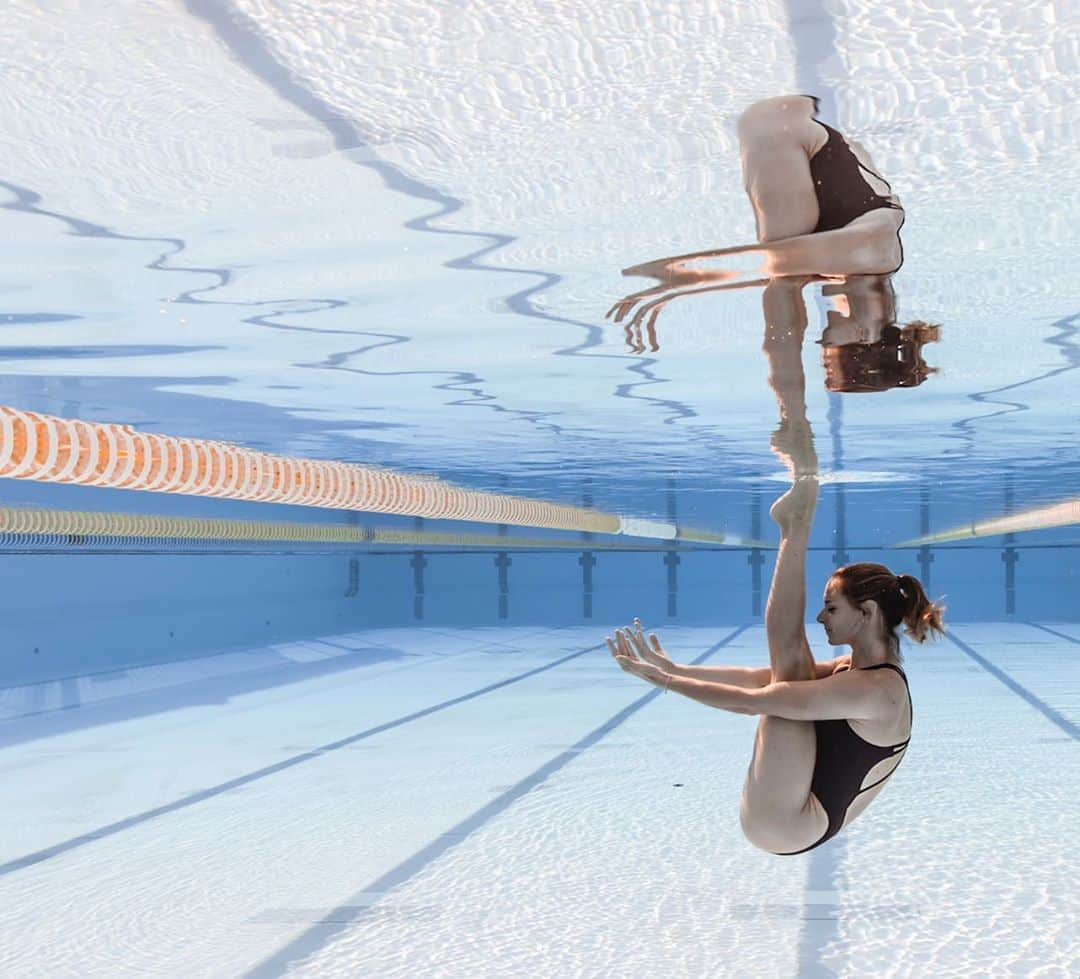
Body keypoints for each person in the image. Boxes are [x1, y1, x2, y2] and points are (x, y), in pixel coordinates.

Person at [606, 263, 946, 855]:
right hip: (785, 806)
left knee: (789, 667)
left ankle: (799, 520)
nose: (823, 619)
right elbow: (760, 679)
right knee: (788, 667)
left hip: (787, 822)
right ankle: (797, 521)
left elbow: (759, 698)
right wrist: (679, 669)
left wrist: (662, 680)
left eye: (830, 608)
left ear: (866, 613)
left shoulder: (876, 694)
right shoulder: (857, 676)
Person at [606, 94, 940, 390]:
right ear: (864, 337)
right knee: (782, 282)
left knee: (787, 282)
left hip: (796, 120)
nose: (822, 336)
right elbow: (764, 262)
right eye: (829, 346)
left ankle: (793, 419)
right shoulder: (872, 256)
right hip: (769, 125)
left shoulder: (859, 262)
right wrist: (673, 280)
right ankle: (792, 421)